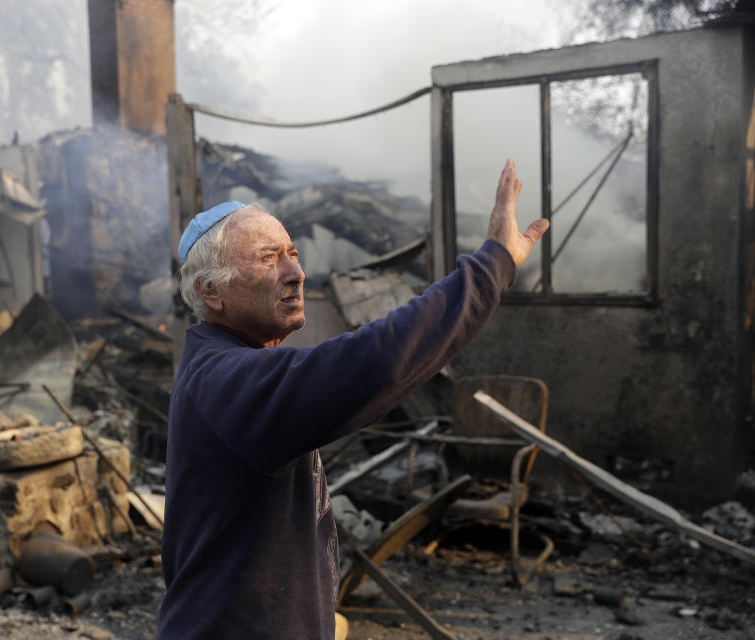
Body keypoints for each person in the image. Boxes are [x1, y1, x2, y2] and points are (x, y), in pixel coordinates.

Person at [157, 160, 548, 639]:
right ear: (210, 292)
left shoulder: (227, 368)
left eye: (293, 253)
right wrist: (492, 265)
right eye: (268, 258)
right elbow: (376, 361)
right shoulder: (225, 379)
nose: (296, 271)